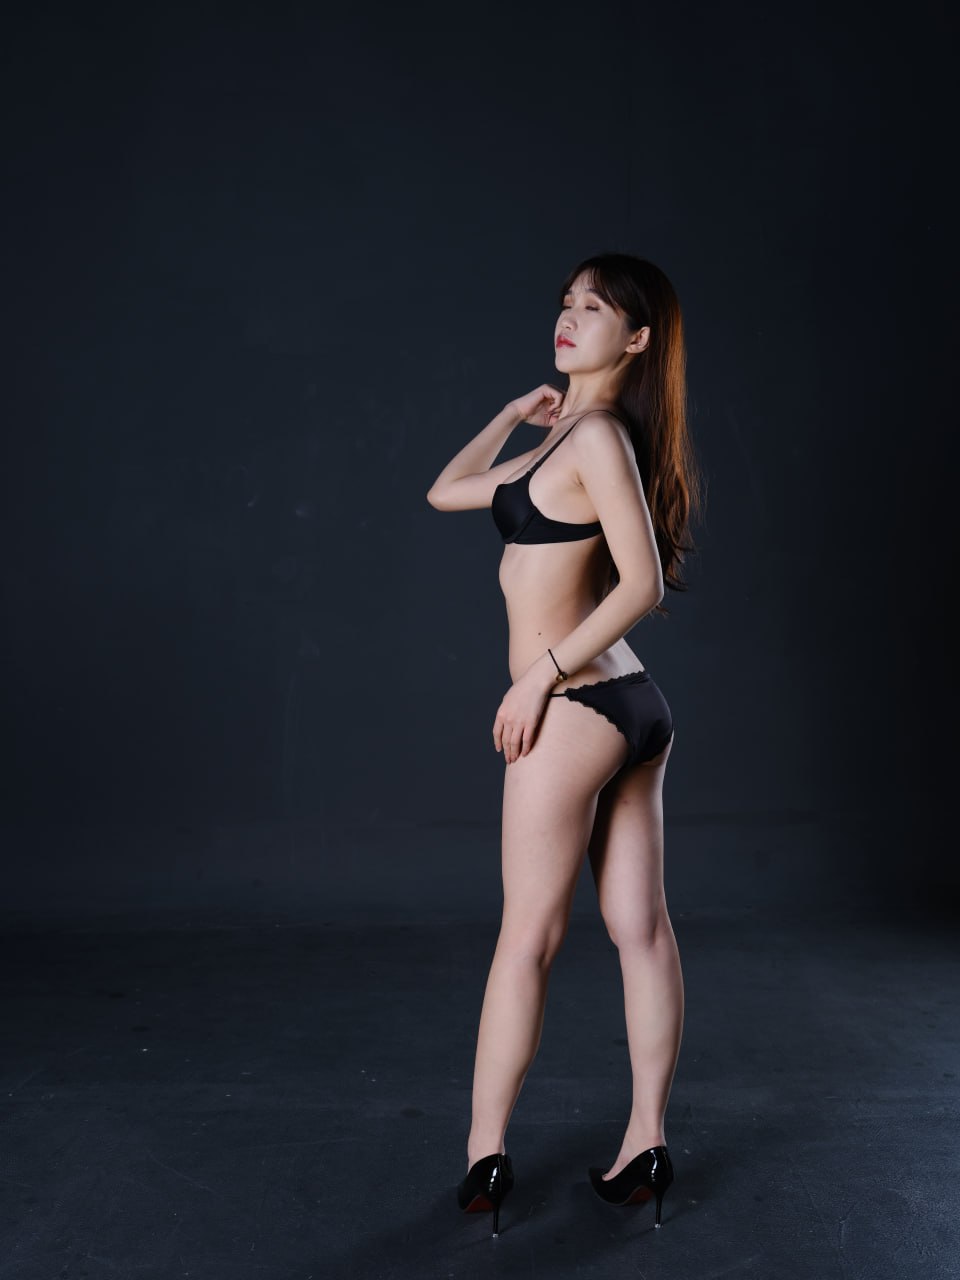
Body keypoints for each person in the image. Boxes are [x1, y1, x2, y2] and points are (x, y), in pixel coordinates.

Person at [426, 252, 703, 1237]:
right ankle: (645, 1144)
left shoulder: (599, 439)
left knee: (528, 938)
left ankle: (484, 1155)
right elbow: (446, 492)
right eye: (566, 303)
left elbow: (642, 583)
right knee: (640, 928)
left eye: (596, 307)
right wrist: (513, 414)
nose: (570, 317)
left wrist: (537, 676)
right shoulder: (565, 438)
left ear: (637, 338)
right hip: (629, 705)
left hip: (576, 706)